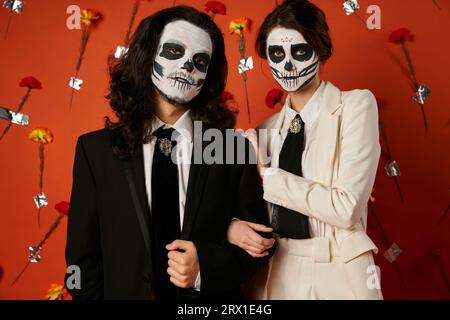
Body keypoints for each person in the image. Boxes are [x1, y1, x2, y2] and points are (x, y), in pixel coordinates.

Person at [65, 6, 273, 300]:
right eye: (174, 51)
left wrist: (204, 268)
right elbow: (81, 260)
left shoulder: (232, 149)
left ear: (208, 76)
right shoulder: (94, 151)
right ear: (148, 55)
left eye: (200, 61)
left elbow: (258, 247)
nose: (188, 66)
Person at [227, 0, 383, 300]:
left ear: (321, 49)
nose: (288, 65)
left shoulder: (356, 106)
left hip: (339, 268)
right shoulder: (263, 132)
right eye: (276, 54)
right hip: (275, 271)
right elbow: (240, 208)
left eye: (299, 52)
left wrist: (267, 174)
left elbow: (346, 208)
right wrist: (232, 226)